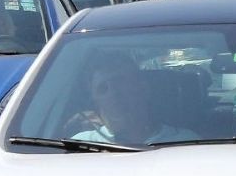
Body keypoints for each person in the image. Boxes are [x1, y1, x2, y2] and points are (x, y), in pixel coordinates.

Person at [68, 59, 196, 146]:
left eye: (119, 83)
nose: (113, 93)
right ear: (95, 101)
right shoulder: (80, 145)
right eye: (103, 89)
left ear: (143, 89)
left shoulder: (185, 141)